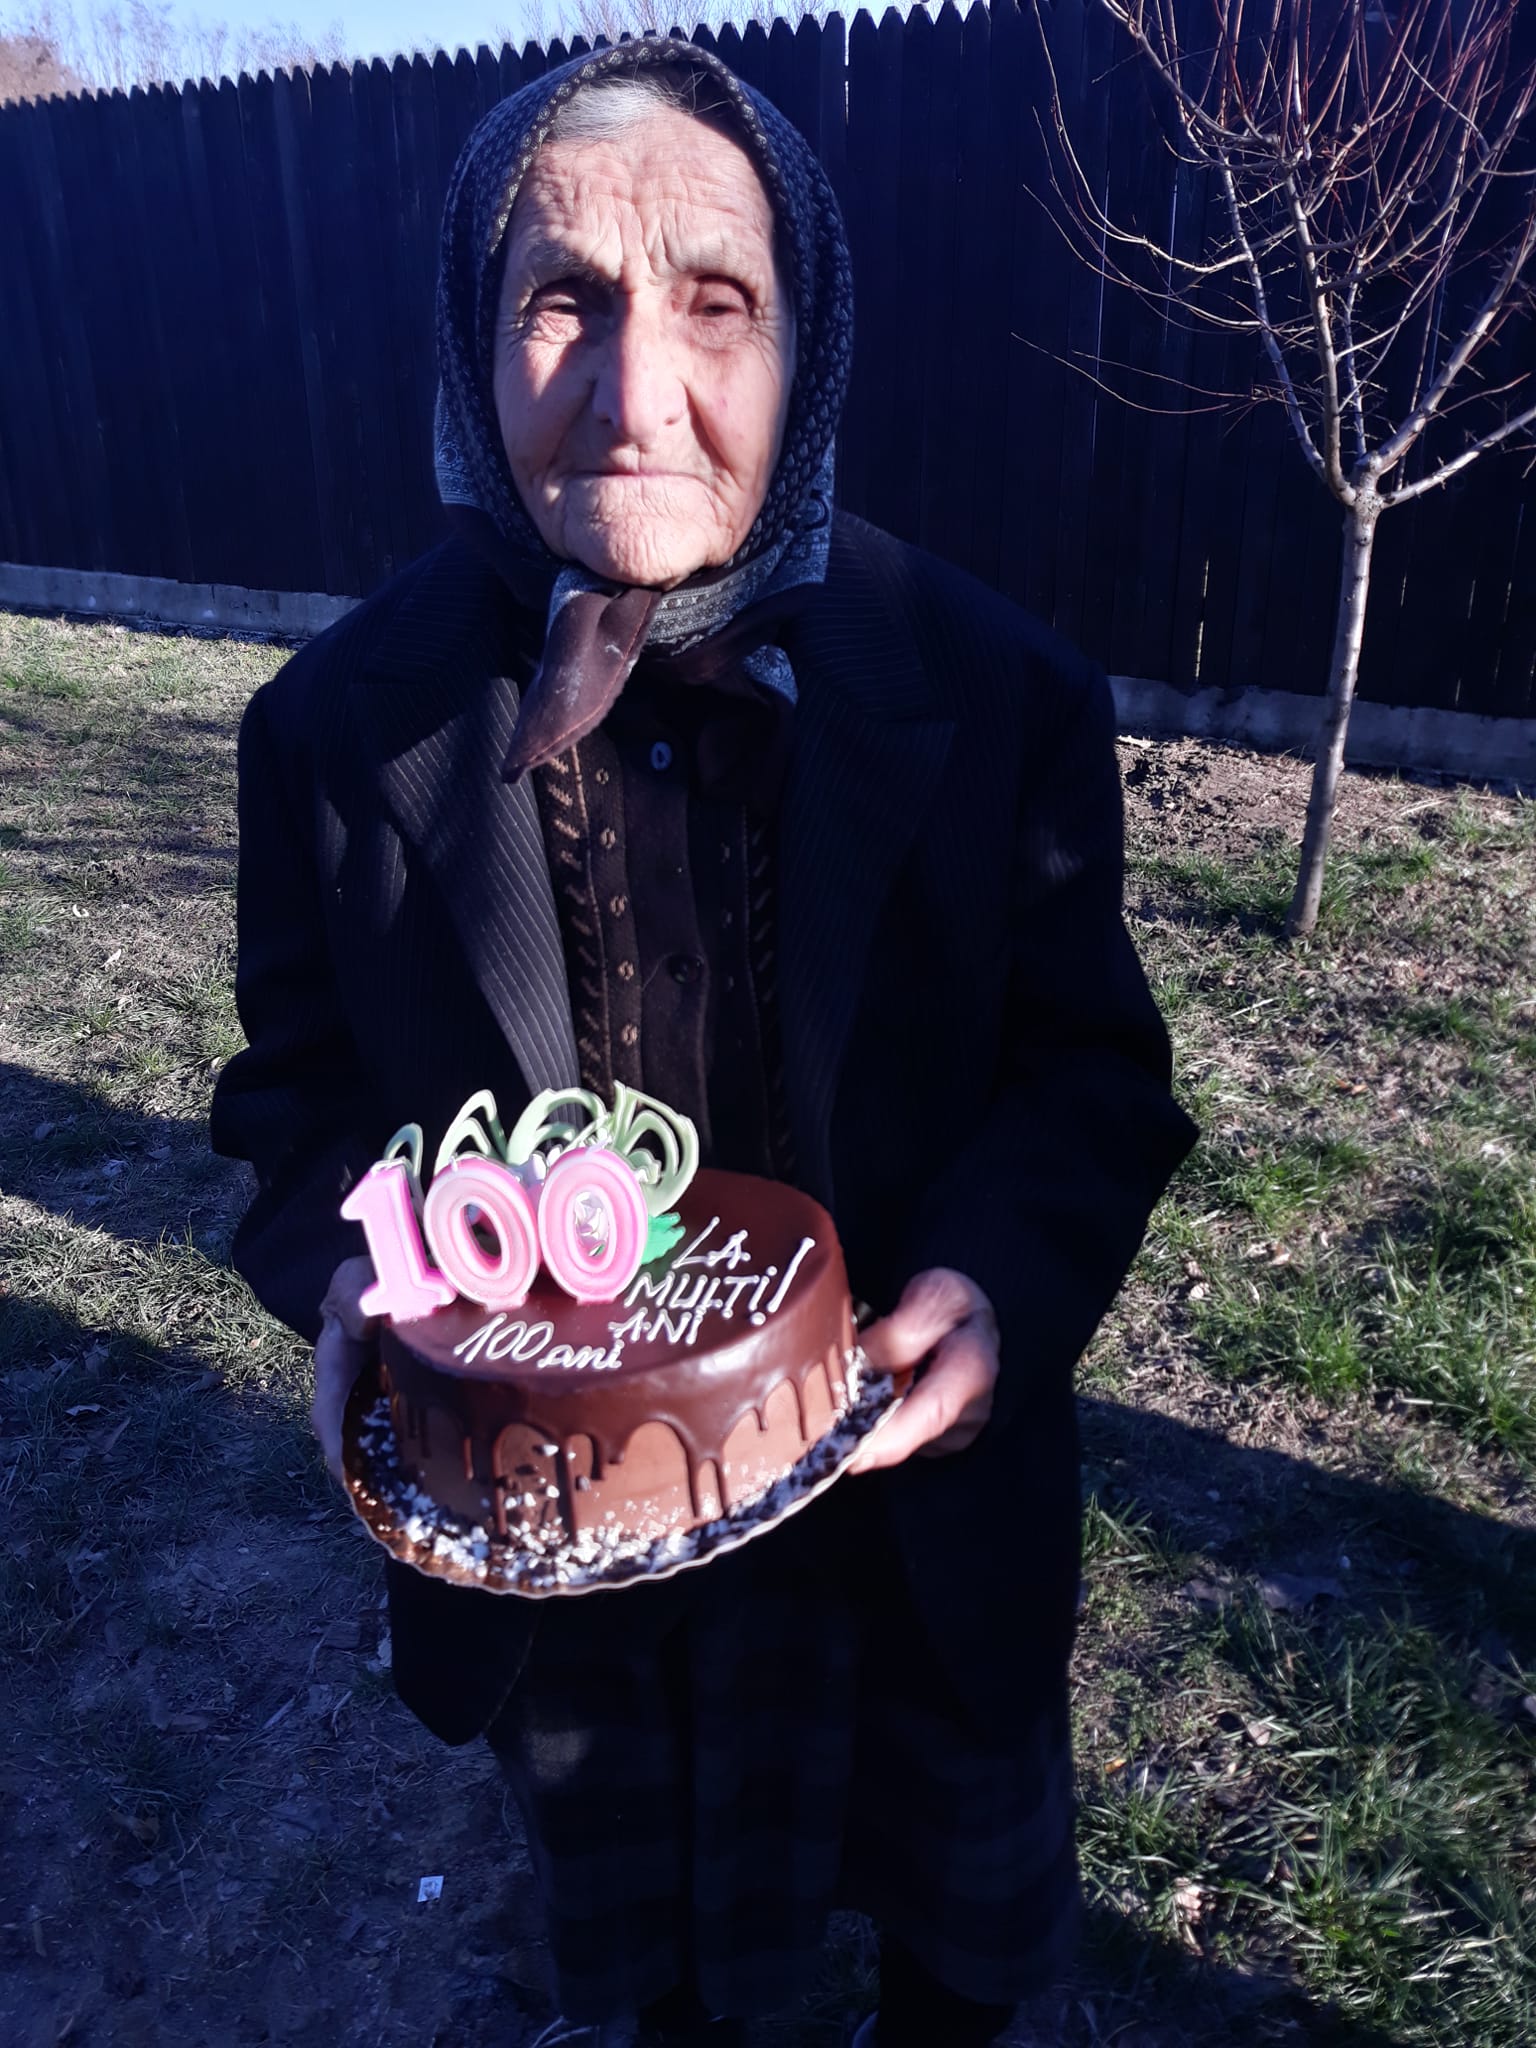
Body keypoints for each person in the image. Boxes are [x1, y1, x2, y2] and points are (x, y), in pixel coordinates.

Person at [211, 35, 1196, 2048]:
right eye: (561, 298)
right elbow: (292, 1099)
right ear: (469, 338)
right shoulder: (335, 730)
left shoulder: (998, 694)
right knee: (654, 1989)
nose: (637, 391)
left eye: (717, 302)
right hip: (568, 1561)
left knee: (953, 1975)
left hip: (909, 1534)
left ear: (807, 342)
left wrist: (995, 1290)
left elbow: (1093, 1075)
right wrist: (349, 1279)